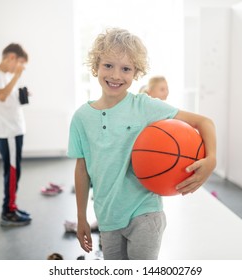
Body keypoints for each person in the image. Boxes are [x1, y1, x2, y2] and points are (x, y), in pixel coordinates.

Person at [67, 28, 216, 260]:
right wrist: (81, 217)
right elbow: (82, 171)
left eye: (126, 68)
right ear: (95, 65)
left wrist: (211, 160)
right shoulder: (81, 118)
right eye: (108, 65)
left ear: (136, 72)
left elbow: (203, 122)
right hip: (107, 215)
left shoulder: (144, 106)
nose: (116, 75)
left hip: (145, 211)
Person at [0, 43, 31, 226]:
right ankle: (8, 211)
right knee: (12, 172)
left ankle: (11, 206)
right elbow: (1, 96)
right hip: (9, 133)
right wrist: (18, 76)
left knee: (14, 172)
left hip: (14, 131)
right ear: (11, 57)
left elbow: (8, 98)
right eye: (20, 64)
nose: (20, 68)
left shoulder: (5, 77)